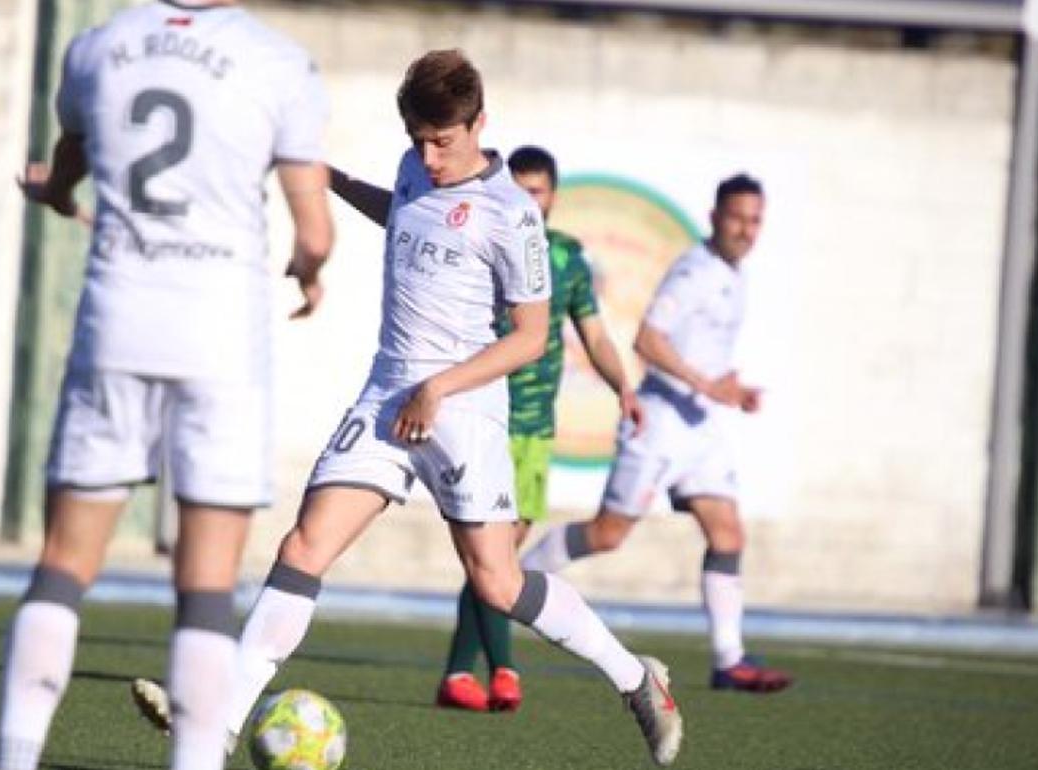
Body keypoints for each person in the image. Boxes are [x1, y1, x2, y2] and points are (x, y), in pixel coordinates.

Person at [131, 49, 683, 766]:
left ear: (480, 123)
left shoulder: (513, 216)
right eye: (419, 140)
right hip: (388, 391)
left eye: (443, 141)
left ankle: (638, 680)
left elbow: (530, 338)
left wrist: (441, 387)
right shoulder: (413, 167)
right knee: (303, 547)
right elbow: (407, 216)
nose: (430, 155)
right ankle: (218, 722)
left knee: (496, 581)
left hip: (465, 407)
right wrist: (332, 183)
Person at [0, 2, 333, 769]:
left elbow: (67, 169)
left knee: (62, 563)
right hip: (219, 340)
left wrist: (53, 193)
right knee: (206, 586)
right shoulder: (277, 60)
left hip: (115, 325)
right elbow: (314, 234)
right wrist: (309, 273)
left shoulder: (96, 49)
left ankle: (14, 758)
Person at [520, 174, 793, 693]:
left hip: (699, 426)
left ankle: (729, 660)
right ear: (715, 217)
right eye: (736, 217)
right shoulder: (694, 271)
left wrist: (727, 390)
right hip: (661, 423)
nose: (745, 229)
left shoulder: (736, 275)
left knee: (728, 533)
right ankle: (516, 582)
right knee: (607, 535)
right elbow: (647, 339)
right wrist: (707, 385)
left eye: (754, 220)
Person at [434, 146, 644, 713]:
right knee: (493, 555)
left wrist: (623, 387)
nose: (529, 200)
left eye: (539, 191)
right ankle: (501, 669)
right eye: (520, 189)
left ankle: (458, 673)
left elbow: (595, 335)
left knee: (497, 560)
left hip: (534, 429)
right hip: (484, 418)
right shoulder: (485, 239)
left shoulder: (567, 258)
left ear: (553, 196)